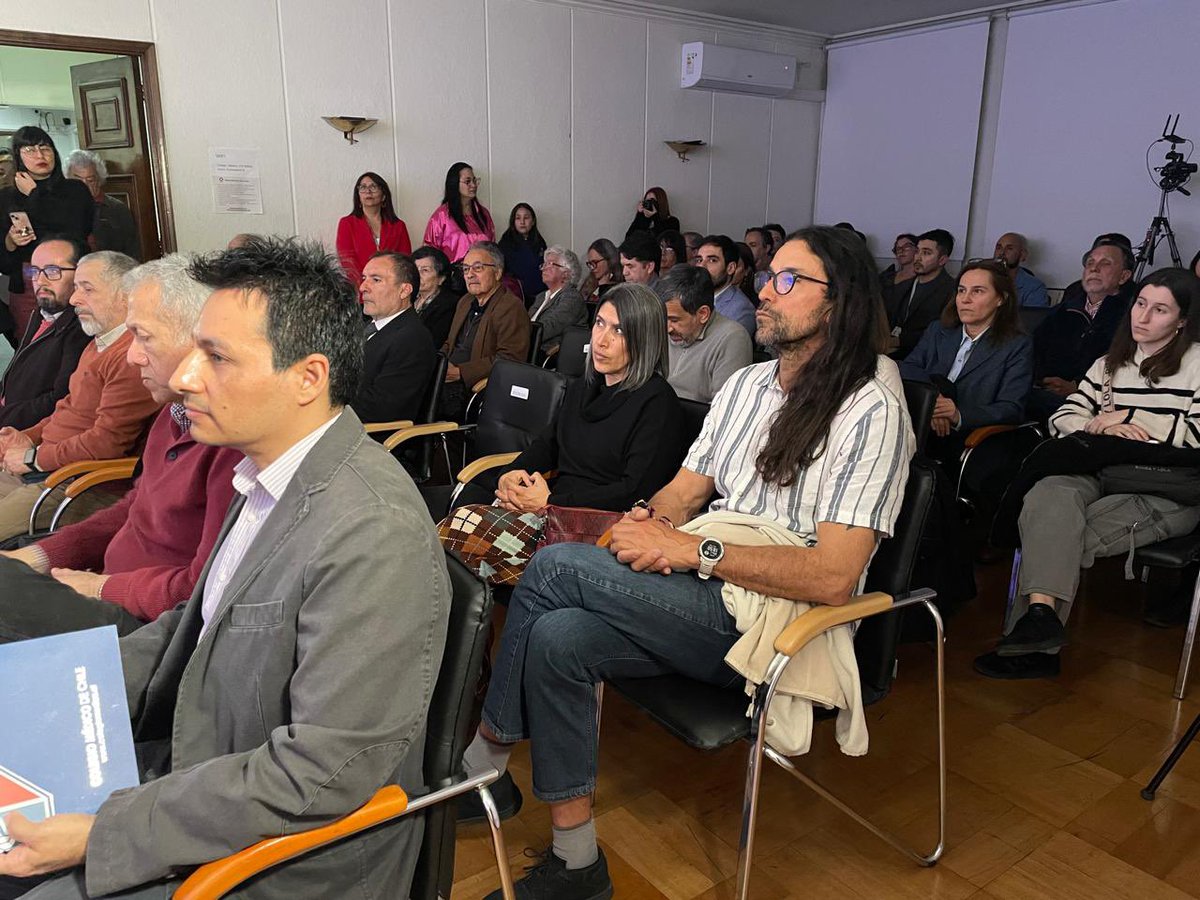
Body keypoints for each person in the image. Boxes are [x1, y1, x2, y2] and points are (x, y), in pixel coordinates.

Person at [457, 226, 913, 900]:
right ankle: (577, 863)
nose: (765, 289)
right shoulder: (748, 387)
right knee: (556, 638)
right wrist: (652, 522)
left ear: (838, 302)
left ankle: (483, 759)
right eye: (768, 275)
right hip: (709, 589)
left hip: (779, 622)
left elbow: (832, 576)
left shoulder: (870, 407)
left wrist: (690, 546)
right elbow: (684, 490)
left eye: (788, 280)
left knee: (554, 567)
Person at [0, 238, 450, 900]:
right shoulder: (265, 472)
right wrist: (49, 697)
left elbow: (321, 774)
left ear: (308, 377)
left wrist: (107, 832)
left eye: (215, 357)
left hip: (281, 858)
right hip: (209, 770)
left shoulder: (372, 531)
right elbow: (199, 623)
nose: (184, 377)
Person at [975, 267, 1200, 680]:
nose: (1143, 317)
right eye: (1140, 304)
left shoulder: (1198, 364)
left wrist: (1131, 417)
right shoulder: (1109, 364)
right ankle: (1041, 622)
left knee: (1051, 533)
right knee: (1048, 493)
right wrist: (1100, 425)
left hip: (1164, 485)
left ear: (1183, 320)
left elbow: (1196, 436)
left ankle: (1033, 645)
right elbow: (1064, 415)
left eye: (1160, 310)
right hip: (1100, 470)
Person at [0, 255, 240, 642]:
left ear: (199, 339)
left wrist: (99, 588)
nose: (132, 355)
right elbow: (135, 506)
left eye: (143, 337)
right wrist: (44, 555)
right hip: (104, 583)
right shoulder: (173, 414)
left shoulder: (232, 444)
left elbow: (201, 592)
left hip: (147, 626)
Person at [439, 283, 685, 588]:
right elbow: (547, 444)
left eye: (619, 331)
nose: (601, 341)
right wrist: (510, 475)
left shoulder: (658, 402)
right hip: (553, 516)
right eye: (599, 324)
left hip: (598, 530)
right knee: (451, 532)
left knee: (457, 534)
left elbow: (634, 490)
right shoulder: (583, 387)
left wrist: (550, 501)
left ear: (644, 341)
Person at [0, 251, 160, 541]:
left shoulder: (131, 356)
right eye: (76, 289)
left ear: (125, 295)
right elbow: (68, 407)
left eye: (87, 289)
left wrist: (34, 457)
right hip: (46, 468)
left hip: (76, 484)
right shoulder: (99, 342)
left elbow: (106, 442)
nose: (74, 300)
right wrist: (28, 436)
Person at [899, 260, 1033, 460]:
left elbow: (1011, 407)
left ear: (1001, 299)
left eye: (977, 291)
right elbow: (907, 368)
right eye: (961, 291)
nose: (965, 299)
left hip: (971, 437)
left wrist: (957, 415)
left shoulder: (1016, 344)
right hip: (922, 423)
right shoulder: (939, 330)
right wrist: (935, 403)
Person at [0, 127, 93, 339]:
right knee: (33, 347)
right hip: (27, 280)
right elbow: (4, 263)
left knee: (77, 341)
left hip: (72, 276)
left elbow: (74, 232)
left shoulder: (75, 189)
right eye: (30, 150)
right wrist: (10, 242)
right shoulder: (6, 197)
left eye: (45, 148)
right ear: (18, 155)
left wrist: (33, 195)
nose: (40, 155)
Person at [1028, 239, 1135, 420]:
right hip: (1044, 393)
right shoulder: (1061, 311)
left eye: (1105, 263)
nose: (1094, 269)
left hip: (1097, 405)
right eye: (1090, 263)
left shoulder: (1133, 318)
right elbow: (1033, 351)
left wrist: (1078, 387)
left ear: (1124, 276)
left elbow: (1127, 368)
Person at [0, 237, 90, 430]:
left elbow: (59, 401)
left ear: (80, 275)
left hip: (28, 435)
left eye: (52, 271)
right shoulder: (40, 315)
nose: (40, 280)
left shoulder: (82, 328)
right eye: (34, 271)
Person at [440, 241, 529, 420]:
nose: (470, 275)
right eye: (465, 269)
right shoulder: (465, 301)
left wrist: (460, 373)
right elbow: (450, 343)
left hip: (474, 389)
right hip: (446, 377)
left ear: (497, 272)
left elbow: (510, 360)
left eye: (478, 268)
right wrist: (438, 363)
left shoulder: (510, 307)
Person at [353, 251, 437, 425]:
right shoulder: (368, 326)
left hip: (371, 439)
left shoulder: (412, 339)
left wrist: (321, 410)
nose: (363, 287)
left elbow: (380, 410)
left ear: (404, 290)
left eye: (376, 280)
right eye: (364, 278)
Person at [662, 263, 751, 403]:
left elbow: (723, 407)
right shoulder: (664, 329)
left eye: (674, 320)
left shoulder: (732, 338)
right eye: (663, 318)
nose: (668, 329)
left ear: (703, 314)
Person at [886, 228, 956, 359]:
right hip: (892, 352)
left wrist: (899, 341)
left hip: (923, 359)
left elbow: (944, 332)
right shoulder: (905, 284)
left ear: (942, 260)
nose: (918, 258)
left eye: (926, 253)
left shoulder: (951, 291)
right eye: (917, 251)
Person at [334, 171, 412, 286]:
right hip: (361, 289)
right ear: (358, 196)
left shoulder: (398, 226)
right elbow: (347, 261)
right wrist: (367, 284)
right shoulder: (347, 224)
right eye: (363, 187)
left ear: (384, 195)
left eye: (373, 187)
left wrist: (389, 284)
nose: (368, 191)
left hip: (391, 288)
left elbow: (405, 260)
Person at [64, 149, 141, 261]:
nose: (84, 186)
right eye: (78, 181)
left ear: (99, 180)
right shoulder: (61, 208)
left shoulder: (117, 209)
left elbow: (132, 251)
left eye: (90, 180)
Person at [423, 162, 495, 263]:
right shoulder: (442, 216)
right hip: (454, 275)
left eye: (474, 180)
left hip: (482, 274)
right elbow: (429, 253)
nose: (473, 185)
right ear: (455, 183)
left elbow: (493, 248)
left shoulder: (483, 214)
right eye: (468, 181)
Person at [529, 246, 586, 356]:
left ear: (566, 273)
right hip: (528, 347)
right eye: (544, 264)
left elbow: (548, 327)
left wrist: (517, 336)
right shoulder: (541, 296)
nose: (544, 268)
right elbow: (525, 321)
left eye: (550, 264)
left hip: (547, 354)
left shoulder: (572, 298)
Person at [695, 234, 756, 337]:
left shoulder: (741, 310)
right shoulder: (691, 295)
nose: (702, 266)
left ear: (731, 268)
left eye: (712, 260)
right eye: (699, 260)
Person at [412, 245, 460, 350]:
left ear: (441, 278)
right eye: (415, 270)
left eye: (425, 270)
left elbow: (435, 342)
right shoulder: (409, 298)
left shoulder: (450, 305)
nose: (417, 275)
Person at [498, 202, 548, 301]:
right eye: (518, 218)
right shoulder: (505, 243)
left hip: (540, 296)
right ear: (513, 222)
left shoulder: (539, 242)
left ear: (533, 221)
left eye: (526, 218)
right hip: (516, 297)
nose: (522, 222)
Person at [993, 231, 1049, 308]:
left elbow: (1034, 318)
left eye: (1009, 249)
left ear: (1022, 255)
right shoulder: (981, 278)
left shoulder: (1034, 287)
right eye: (999, 248)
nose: (1001, 253)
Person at [580, 237, 620, 304]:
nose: (592, 268)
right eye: (590, 263)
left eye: (595, 262)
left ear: (609, 260)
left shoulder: (619, 287)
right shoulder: (588, 283)